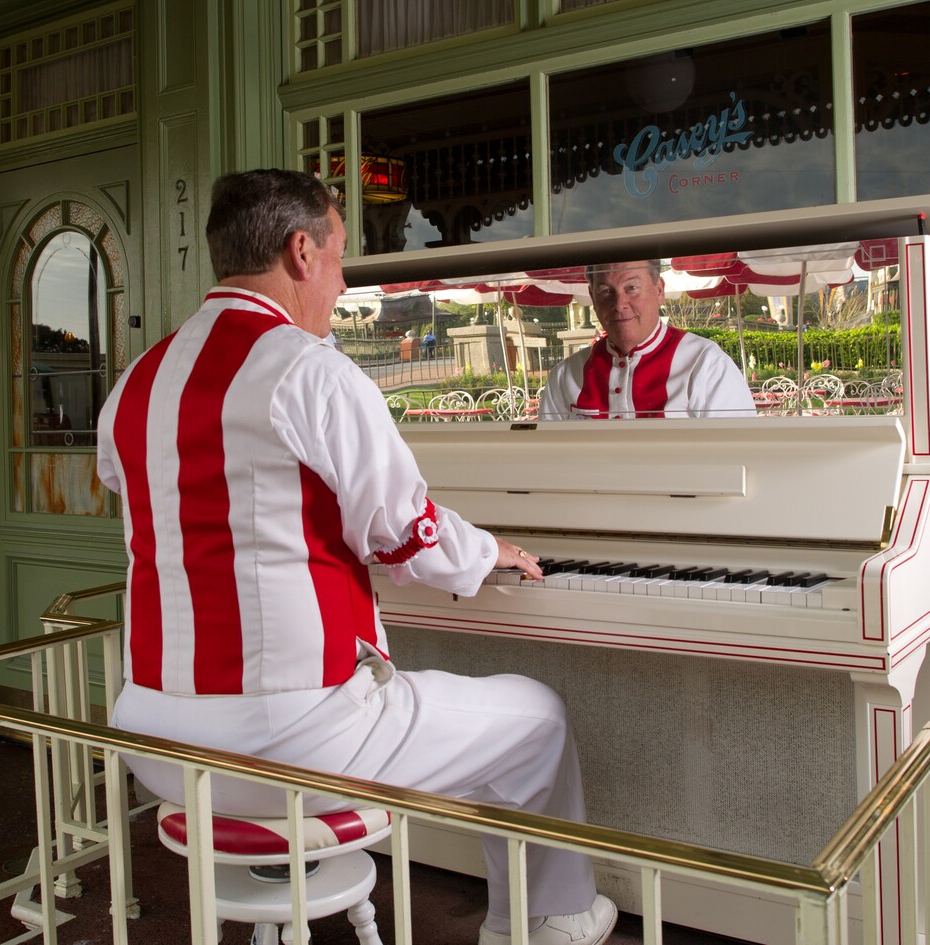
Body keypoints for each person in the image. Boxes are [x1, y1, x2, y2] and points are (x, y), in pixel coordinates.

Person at [96, 169, 616, 945]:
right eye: (339, 256)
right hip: (287, 740)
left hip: (156, 740)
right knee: (537, 719)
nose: (342, 281)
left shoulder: (136, 381)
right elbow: (404, 531)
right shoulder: (309, 369)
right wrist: (490, 553)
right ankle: (546, 921)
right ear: (300, 252)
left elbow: (157, 498)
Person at [538, 259, 754, 419]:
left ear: (659, 290)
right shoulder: (565, 375)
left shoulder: (706, 364)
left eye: (632, 288)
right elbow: (547, 459)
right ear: (592, 297)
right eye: (605, 291)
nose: (619, 304)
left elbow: (740, 457)